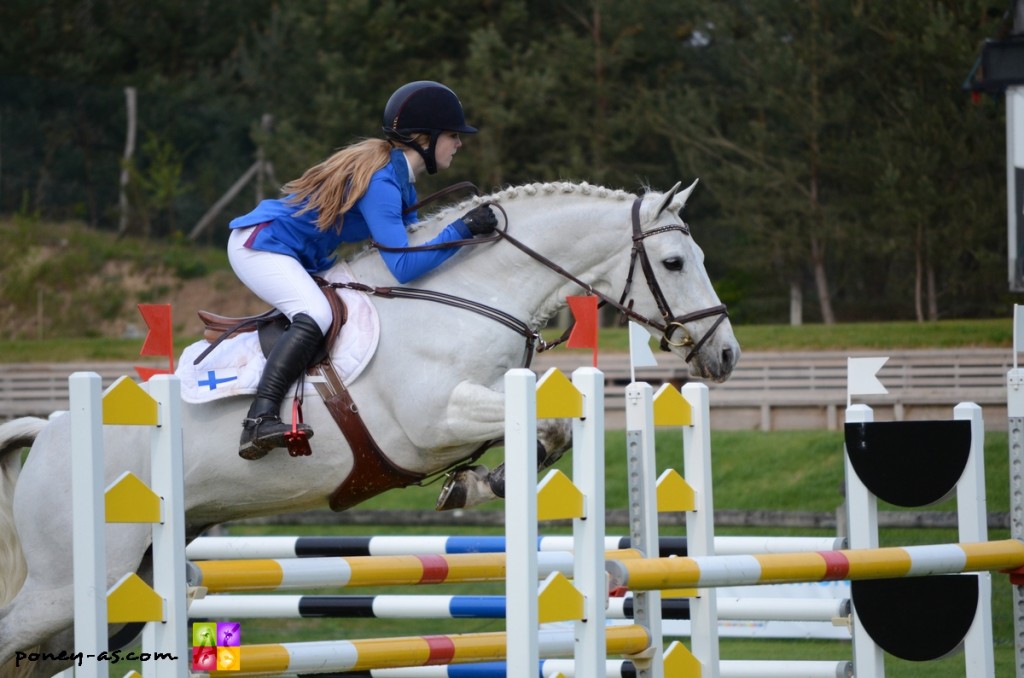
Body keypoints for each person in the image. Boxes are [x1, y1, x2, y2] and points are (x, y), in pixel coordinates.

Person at [227, 80, 498, 460]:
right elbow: (403, 266)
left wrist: (465, 235)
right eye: (453, 135)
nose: (459, 143)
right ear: (425, 138)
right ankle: (260, 419)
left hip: (300, 253)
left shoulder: (400, 181)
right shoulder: (383, 182)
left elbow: (413, 250)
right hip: (262, 244)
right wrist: (462, 230)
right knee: (317, 313)